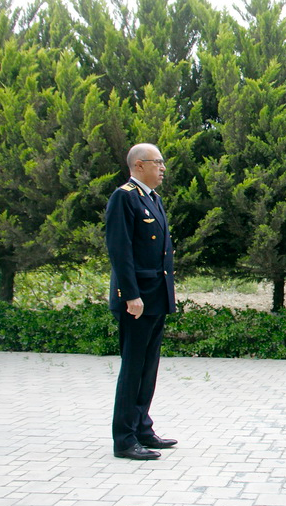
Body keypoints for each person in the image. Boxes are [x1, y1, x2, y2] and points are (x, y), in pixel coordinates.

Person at [106, 143, 177, 460]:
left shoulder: (153, 199)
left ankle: (142, 427)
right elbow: (120, 251)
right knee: (133, 368)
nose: (162, 168)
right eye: (157, 162)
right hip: (137, 299)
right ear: (138, 166)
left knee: (148, 368)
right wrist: (130, 295)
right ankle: (124, 439)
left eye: (163, 163)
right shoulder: (124, 197)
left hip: (156, 296)